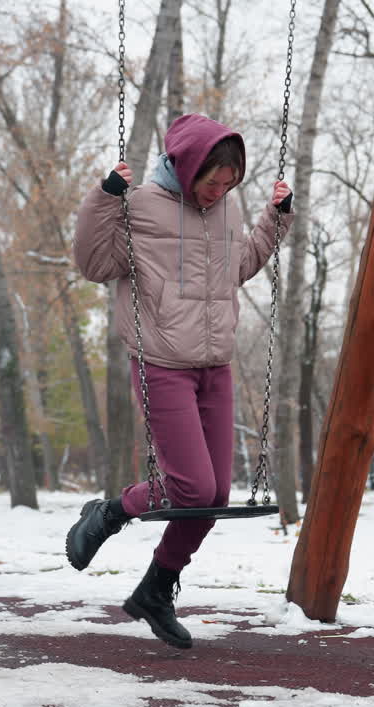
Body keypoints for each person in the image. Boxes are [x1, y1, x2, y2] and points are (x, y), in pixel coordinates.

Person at [66, 113, 294, 649]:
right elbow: (94, 263)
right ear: (186, 167)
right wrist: (104, 198)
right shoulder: (140, 205)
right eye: (212, 181)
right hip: (162, 363)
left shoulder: (226, 209)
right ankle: (112, 511)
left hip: (215, 366)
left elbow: (242, 265)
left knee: (213, 494)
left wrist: (276, 219)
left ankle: (155, 589)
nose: (219, 191)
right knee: (191, 487)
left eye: (229, 183)